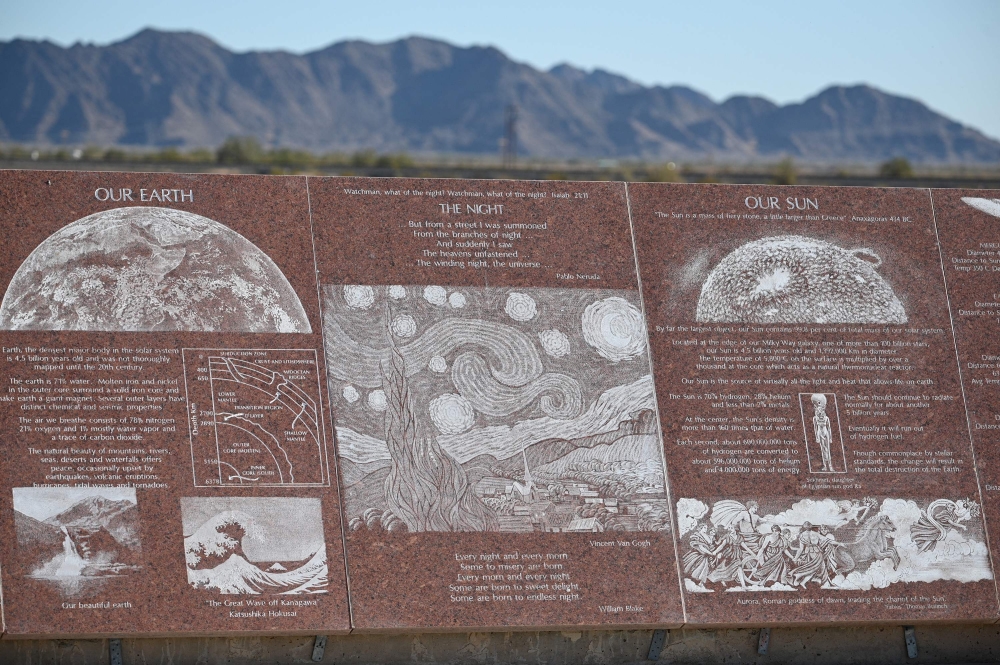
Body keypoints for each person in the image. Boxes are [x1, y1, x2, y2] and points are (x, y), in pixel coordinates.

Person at [790, 522, 829, 588]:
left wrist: (796, 558)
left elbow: (801, 549)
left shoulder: (802, 535)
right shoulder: (815, 534)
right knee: (816, 568)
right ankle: (802, 579)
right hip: (815, 552)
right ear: (811, 526)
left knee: (813, 568)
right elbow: (827, 540)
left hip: (808, 552)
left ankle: (804, 580)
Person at [811, 394, 834, 472]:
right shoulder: (815, 418)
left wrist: (830, 438)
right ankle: (825, 466)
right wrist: (816, 437)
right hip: (819, 433)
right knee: (822, 449)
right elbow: (815, 428)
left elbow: (829, 428)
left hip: (825, 432)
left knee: (828, 449)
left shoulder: (826, 418)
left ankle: (830, 466)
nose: (819, 410)